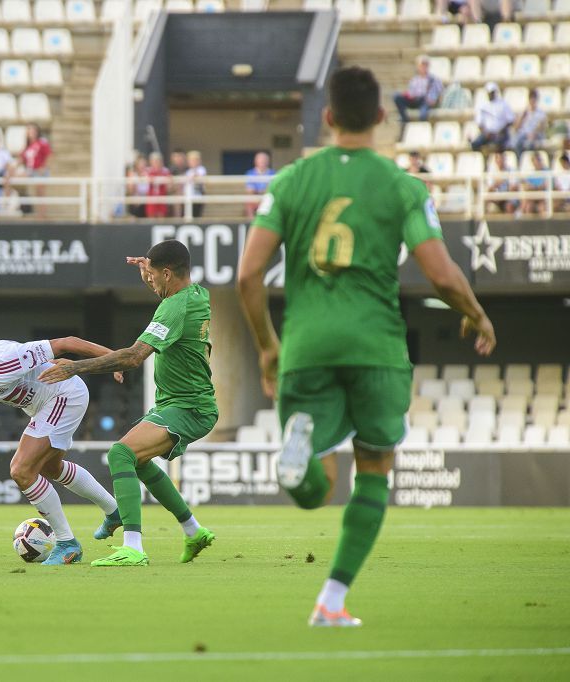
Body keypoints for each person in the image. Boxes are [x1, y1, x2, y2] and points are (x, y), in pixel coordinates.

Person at [237, 66, 496, 627]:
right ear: (382, 118)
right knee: (374, 467)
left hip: (306, 348)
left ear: (327, 118)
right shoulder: (403, 185)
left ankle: (297, 458)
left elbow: (249, 276)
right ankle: (331, 600)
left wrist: (266, 347)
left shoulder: (289, 182)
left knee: (314, 493)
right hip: (377, 348)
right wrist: (476, 314)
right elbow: (442, 276)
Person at [39, 239, 218, 567]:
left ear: (167, 274)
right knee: (138, 461)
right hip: (180, 403)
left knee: (120, 453)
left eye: (152, 275)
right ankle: (193, 531)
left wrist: (74, 367)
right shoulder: (196, 294)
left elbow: (135, 357)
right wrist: (148, 269)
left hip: (189, 406)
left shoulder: (174, 307)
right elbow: (168, 283)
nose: (149, 280)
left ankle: (133, 547)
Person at [0, 337, 124, 565]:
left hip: (63, 395)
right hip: (41, 405)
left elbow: (67, 342)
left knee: (21, 470)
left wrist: (115, 359)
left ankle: (67, 544)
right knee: (50, 468)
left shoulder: (3, 360)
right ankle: (114, 510)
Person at [393, 56, 445, 131]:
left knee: (423, 113)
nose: (424, 67)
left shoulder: (433, 79)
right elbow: (411, 93)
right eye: (422, 65)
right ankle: (405, 119)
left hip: (425, 101)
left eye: (425, 64)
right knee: (396, 96)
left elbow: (439, 90)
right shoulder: (414, 80)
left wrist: (433, 98)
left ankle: (422, 131)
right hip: (414, 100)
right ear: (418, 66)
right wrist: (408, 95)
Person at [470, 82, 515, 152]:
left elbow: (510, 120)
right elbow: (479, 123)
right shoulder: (482, 105)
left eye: (492, 92)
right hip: (487, 134)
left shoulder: (503, 104)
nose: (491, 94)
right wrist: (486, 133)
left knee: (499, 144)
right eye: (489, 92)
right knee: (475, 144)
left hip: (500, 133)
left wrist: (500, 131)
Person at [19, 123, 51, 216]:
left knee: (40, 192)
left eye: (33, 131)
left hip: (38, 170)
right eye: (29, 131)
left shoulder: (42, 143)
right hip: (30, 171)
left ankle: (42, 214)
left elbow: (49, 155)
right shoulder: (28, 146)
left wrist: (44, 167)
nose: (31, 133)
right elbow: (22, 158)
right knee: (16, 181)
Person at [509, 89, 547, 157]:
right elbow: (516, 127)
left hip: (536, 135)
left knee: (530, 144)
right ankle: (519, 160)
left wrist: (534, 133)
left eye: (534, 99)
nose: (532, 101)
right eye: (531, 99)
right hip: (525, 134)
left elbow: (541, 127)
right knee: (516, 142)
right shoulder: (525, 112)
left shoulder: (541, 113)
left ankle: (529, 160)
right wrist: (522, 117)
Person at [245, 151, 275, 219]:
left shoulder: (272, 173)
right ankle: (251, 223)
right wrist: (262, 191)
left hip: (268, 198)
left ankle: (268, 222)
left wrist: (261, 192)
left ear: (268, 162)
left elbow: (271, 190)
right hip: (255, 199)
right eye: (260, 160)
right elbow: (250, 190)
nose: (262, 162)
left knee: (271, 200)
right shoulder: (250, 173)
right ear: (256, 161)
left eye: (264, 160)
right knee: (249, 202)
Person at [145, 152, 171, 218]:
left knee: (161, 217)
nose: (156, 163)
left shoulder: (165, 171)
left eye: (158, 161)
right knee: (151, 216)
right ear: (151, 162)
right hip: (151, 198)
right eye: (155, 161)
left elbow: (170, 181)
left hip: (162, 197)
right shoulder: (148, 171)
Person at [183, 150, 207, 218]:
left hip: (198, 195)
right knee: (189, 213)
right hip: (189, 195)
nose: (193, 162)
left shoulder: (201, 169)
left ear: (199, 161)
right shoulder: (188, 171)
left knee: (197, 214)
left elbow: (199, 176)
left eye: (195, 160)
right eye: (191, 160)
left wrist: (193, 176)